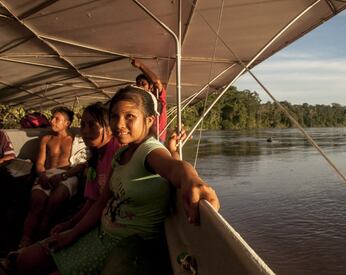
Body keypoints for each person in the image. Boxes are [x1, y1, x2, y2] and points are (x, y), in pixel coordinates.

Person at [16, 86, 219, 274]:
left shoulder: (149, 151)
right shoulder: (120, 155)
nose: (119, 124)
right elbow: (101, 202)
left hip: (126, 245)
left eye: (129, 116)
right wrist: (73, 232)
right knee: (25, 260)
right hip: (101, 233)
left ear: (148, 120)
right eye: (114, 116)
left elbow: (174, 168)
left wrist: (192, 179)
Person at [19, 107, 88, 247]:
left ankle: (39, 240)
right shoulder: (46, 139)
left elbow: (81, 165)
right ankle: (24, 241)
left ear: (67, 124)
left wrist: (63, 175)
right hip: (47, 174)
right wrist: (42, 175)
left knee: (54, 201)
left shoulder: (76, 141)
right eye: (52, 117)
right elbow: (39, 162)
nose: (52, 121)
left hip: (68, 175)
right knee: (37, 201)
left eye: (57, 119)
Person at [50, 102, 121, 236]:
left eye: (92, 124)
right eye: (83, 125)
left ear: (109, 128)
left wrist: (72, 233)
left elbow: (101, 202)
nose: (85, 131)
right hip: (100, 219)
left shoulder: (117, 151)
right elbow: (91, 201)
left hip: (113, 226)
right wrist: (70, 224)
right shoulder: (95, 157)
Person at [132, 59, 168, 142]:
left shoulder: (157, 96)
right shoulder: (140, 101)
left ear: (150, 86)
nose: (140, 86)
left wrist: (141, 65)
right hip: (145, 137)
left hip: (157, 139)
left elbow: (157, 82)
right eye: (138, 84)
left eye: (143, 84)